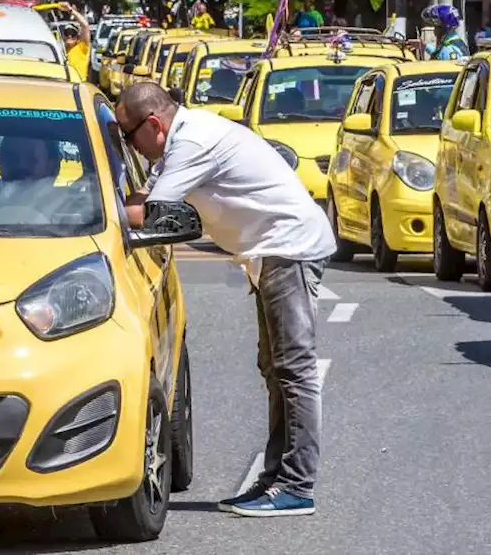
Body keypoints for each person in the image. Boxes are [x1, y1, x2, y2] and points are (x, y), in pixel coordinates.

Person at [117, 83, 335, 518]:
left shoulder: (192, 141)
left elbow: (151, 212)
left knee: (294, 371)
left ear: (154, 125)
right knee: (274, 370)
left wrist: (78, 209)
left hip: (286, 249)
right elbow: (145, 198)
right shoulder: (180, 140)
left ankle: (297, 485)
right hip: (269, 252)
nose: (130, 147)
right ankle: (276, 479)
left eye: (128, 136)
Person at [60, 2, 92, 80]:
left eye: (73, 33)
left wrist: (71, 10)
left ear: (78, 37)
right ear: (63, 36)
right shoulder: (61, 51)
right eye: (67, 33)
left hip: (79, 85)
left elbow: (85, 26)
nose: (69, 36)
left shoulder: (82, 47)